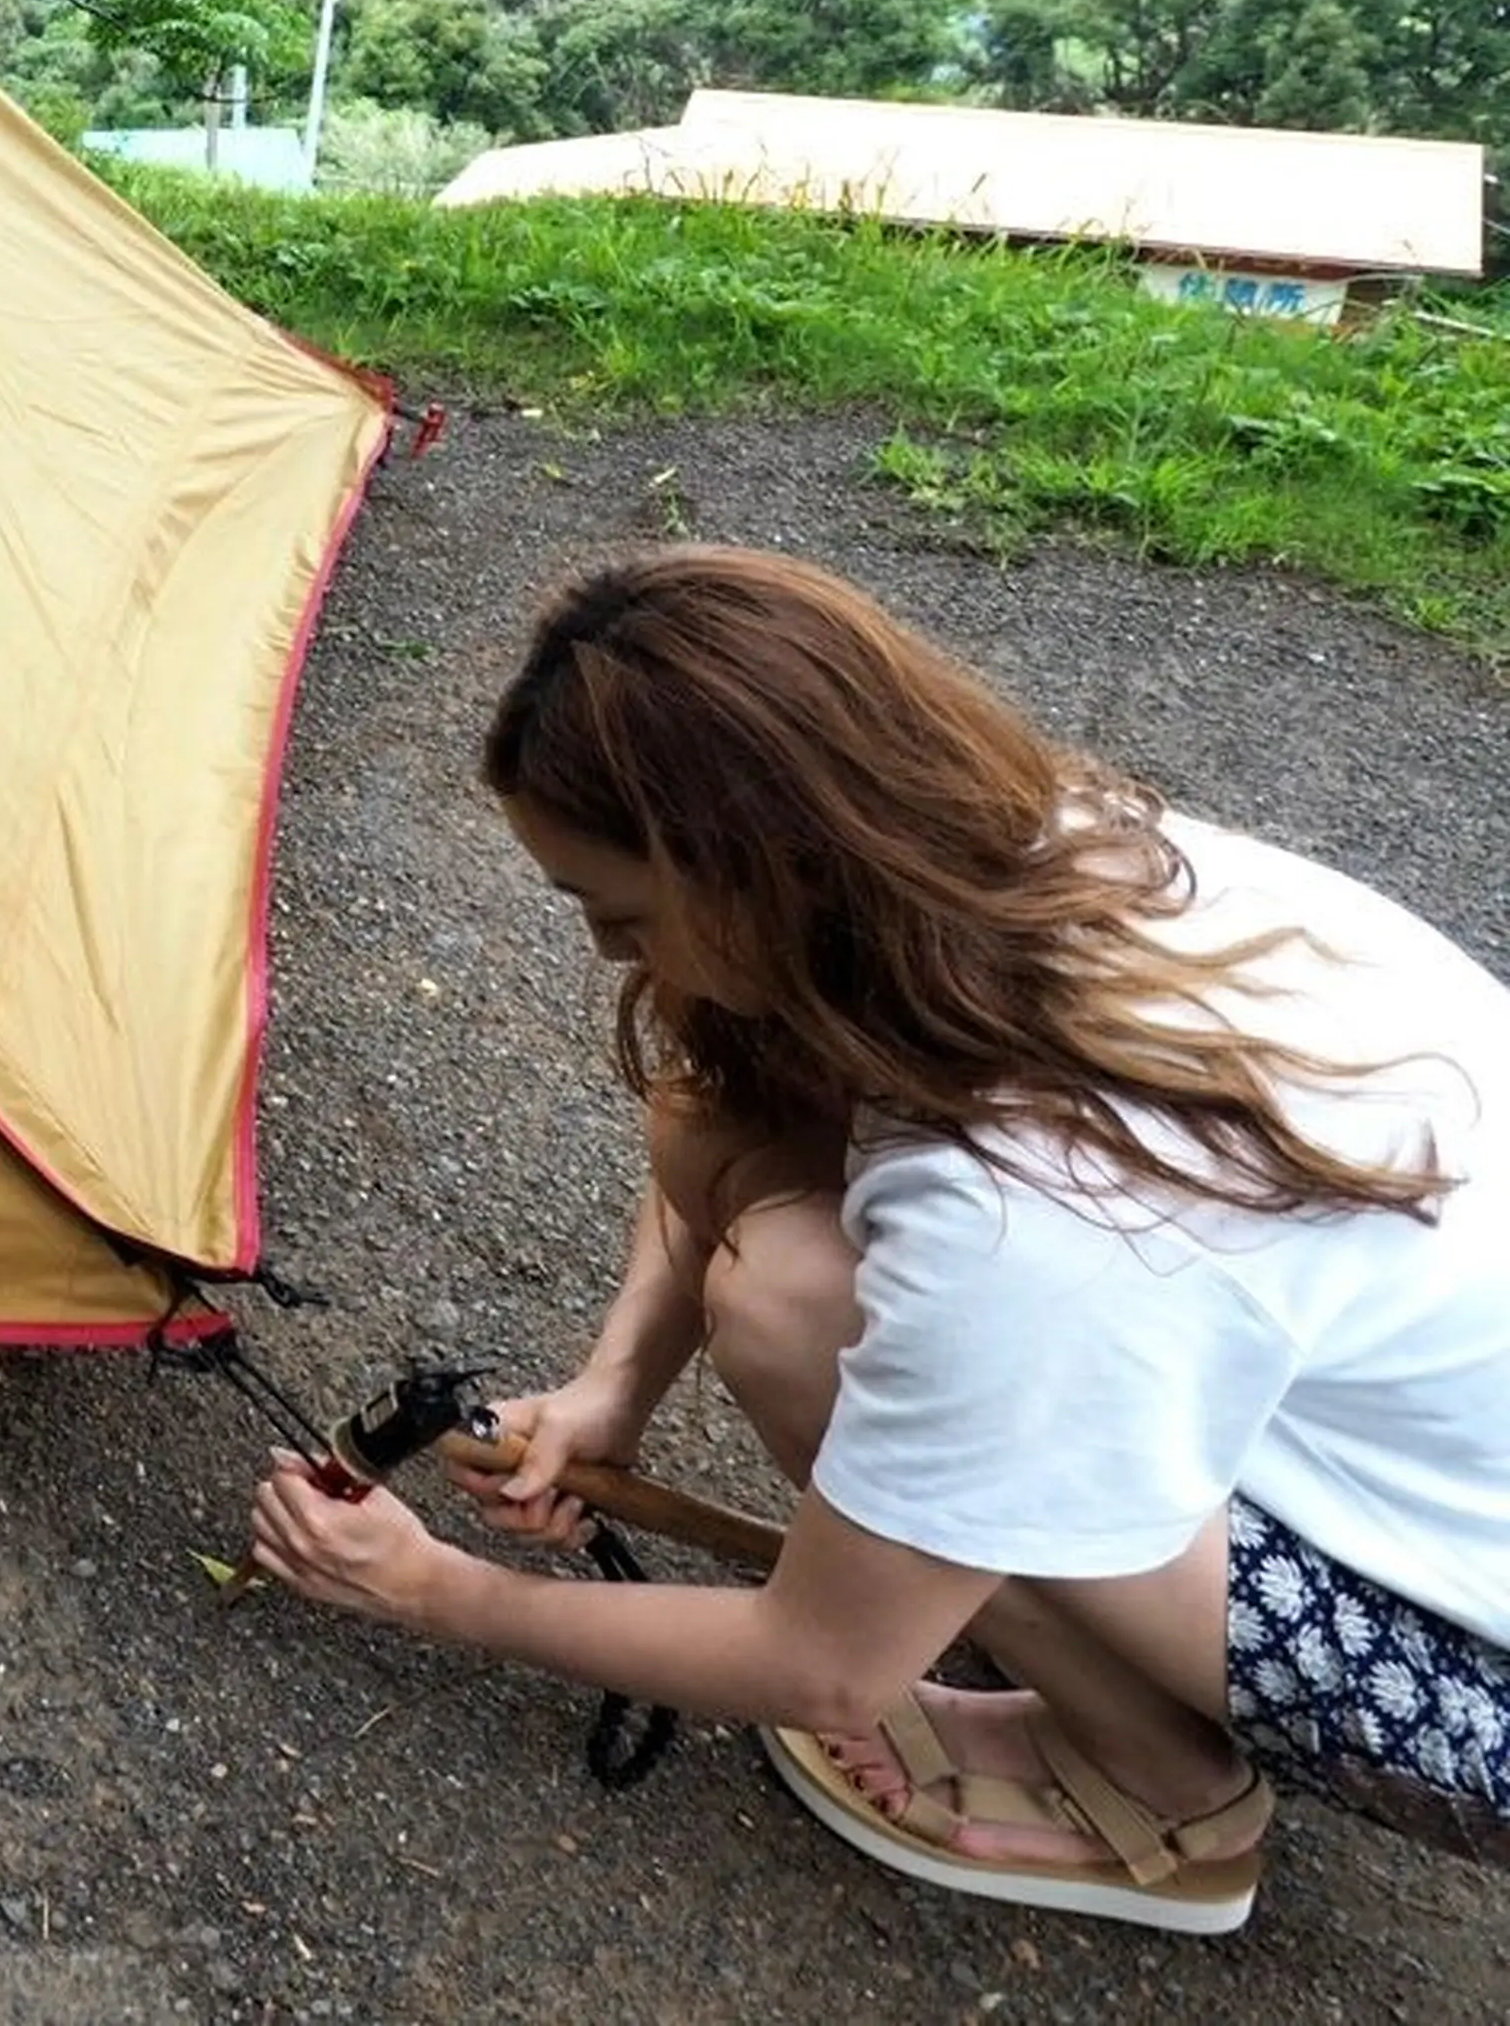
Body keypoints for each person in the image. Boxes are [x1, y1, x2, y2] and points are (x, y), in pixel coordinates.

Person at [246, 545, 1510, 1931]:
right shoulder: (1031, 852)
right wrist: (615, 1391)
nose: (614, 957)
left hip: (1464, 1688)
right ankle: (1051, 1609)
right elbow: (714, 1108)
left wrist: (439, 1592)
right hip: (1395, 1450)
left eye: (622, 916)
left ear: (749, 876)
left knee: (797, 1318)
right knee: (734, 1128)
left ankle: (1163, 1790)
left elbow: (823, 1666)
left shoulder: (1022, 1220)